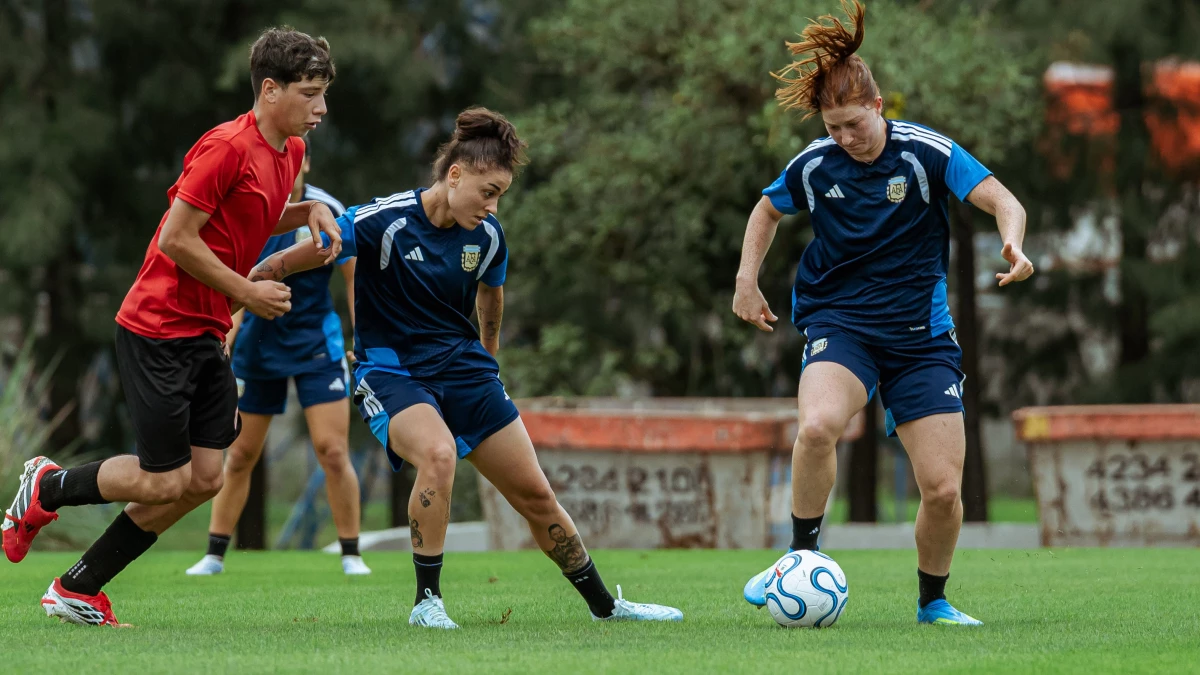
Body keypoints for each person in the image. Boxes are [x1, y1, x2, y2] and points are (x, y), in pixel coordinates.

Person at [247, 107, 683, 629]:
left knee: (536, 495)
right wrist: (233, 307)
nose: (494, 205)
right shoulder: (380, 221)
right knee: (437, 453)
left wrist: (489, 366)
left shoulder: (488, 236)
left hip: (466, 373)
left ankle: (606, 608)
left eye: (501, 194)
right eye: (488, 190)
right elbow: (278, 265)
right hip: (392, 374)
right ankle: (426, 603)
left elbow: (491, 300)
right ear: (454, 175)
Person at [2, 27, 340, 627]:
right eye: (310, 94)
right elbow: (175, 237)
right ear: (269, 89)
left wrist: (309, 209)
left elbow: (250, 219)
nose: (320, 109)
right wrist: (247, 293)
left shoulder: (285, 150)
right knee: (164, 481)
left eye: (323, 95)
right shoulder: (224, 148)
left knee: (205, 478)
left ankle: (77, 589)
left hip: (205, 332)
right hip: (158, 327)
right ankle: (48, 486)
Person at [733, 1, 1033, 626]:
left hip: (921, 339)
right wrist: (745, 282)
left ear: (877, 107)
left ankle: (933, 602)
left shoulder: (925, 153)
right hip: (840, 323)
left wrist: (1014, 242)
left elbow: (1002, 197)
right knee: (817, 427)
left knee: (944, 489)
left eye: (852, 124)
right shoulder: (815, 165)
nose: (844, 137)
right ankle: (798, 558)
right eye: (832, 126)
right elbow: (766, 210)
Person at [185, 143, 370, 577]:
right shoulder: (252, 210)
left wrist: (363, 338)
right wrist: (222, 339)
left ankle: (351, 554)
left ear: (306, 161)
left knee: (332, 449)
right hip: (259, 342)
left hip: (315, 343)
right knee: (242, 452)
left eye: (297, 157)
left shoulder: (326, 209)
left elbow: (354, 279)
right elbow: (237, 284)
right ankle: (213, 555)